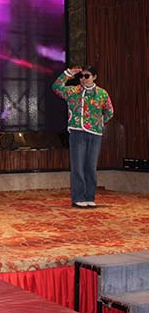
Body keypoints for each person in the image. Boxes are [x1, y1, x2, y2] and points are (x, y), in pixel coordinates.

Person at [52, 65, 114, 208]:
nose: (83, 79)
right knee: (78, 167)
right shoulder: (73, 91)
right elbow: (56, 87)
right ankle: (78, 197)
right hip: (77, 132)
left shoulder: (102, 94)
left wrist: (99, 122)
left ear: (94, 77)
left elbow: (109, 111)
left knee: (91, 167)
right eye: (81, 76)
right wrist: (68, 74)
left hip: (95, 134)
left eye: (87, 76)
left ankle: (89, 197)